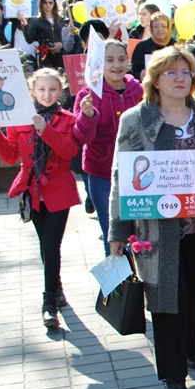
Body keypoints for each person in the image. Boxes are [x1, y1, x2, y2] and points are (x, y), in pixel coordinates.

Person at [108, 46, 195, 389]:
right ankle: (174, 378)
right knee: (165, 305)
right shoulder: (135, 120)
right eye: (172, 73)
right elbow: (122, 176)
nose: (180, 79)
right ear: (156, 80)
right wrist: (118, 230)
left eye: (186, 72)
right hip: (158, 232)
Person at [0, 68, 80, 327]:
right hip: (32, 190)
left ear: (60, 91)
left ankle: (49, 304)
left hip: (59, 189)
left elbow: (70, 151)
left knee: (51, 246)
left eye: (52, 89)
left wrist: (46, 130)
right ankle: (56, 286)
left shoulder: (68, 118)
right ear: (32, 92)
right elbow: (10, 156)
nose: (46, 94)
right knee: (44, 244)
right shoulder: (18, 119)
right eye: (41, 89)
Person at [73, 39, 143, 256]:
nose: (116, 65)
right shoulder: (88, 94)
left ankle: (139, 284)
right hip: (102, 175)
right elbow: (81, 137)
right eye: (109, 60)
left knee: (140, 236)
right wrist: (87, 116)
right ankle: (116, 289)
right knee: (113, 238)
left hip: (138, 174)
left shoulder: (139, 89)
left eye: (121, 59)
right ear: (98, 64)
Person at [27, 0, 65, 70]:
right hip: (45, 54)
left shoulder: (61, 19)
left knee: (62, 77)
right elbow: (29, 39)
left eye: (50, 2)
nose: (48, 5)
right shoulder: (35, 20)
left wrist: (61, 43)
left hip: (60, 53)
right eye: (45, 3)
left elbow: (66, 36)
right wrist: (25, 25)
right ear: (41, 4)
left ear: (54, 4)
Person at [130, 11, 173, 79]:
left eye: (163, 26)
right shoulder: (141, 47)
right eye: (156, 26)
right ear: (151, 28)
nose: (160, 29)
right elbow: (131, 73)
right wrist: (140, 75)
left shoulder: (176, 46)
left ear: (168, 28)